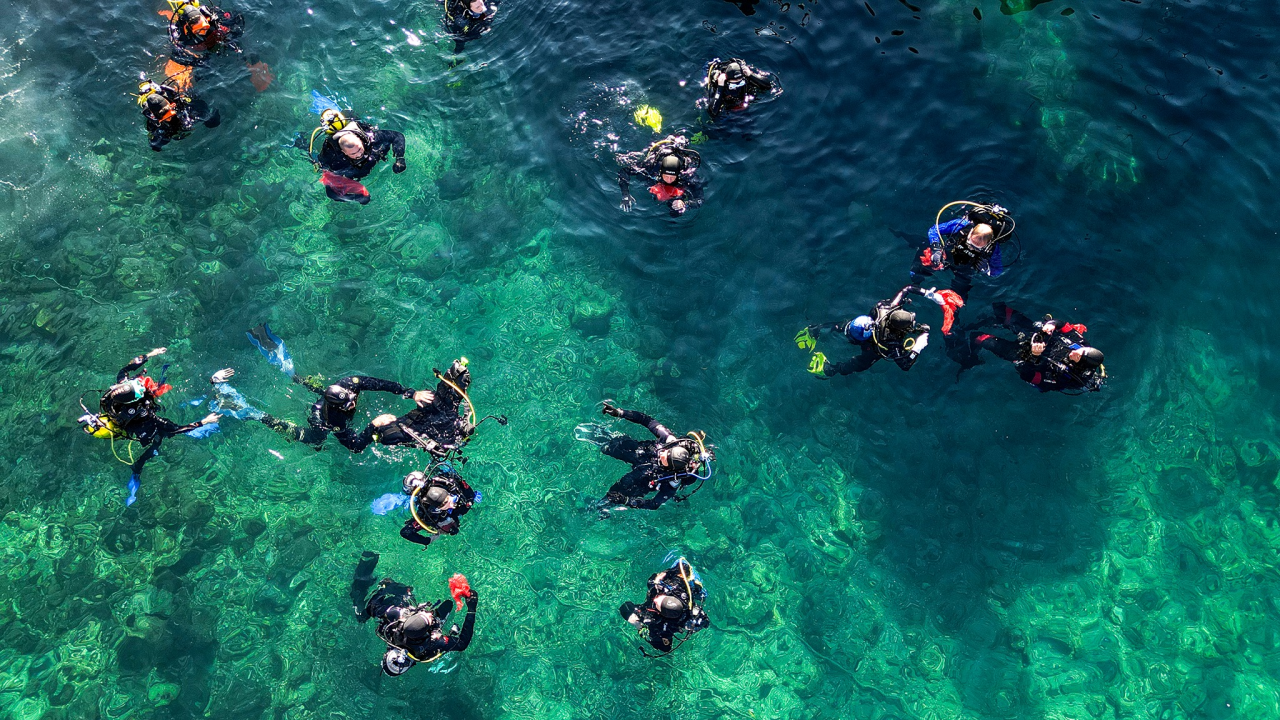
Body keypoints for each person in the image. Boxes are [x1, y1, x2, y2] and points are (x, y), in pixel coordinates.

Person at [81, 347, 219, 505]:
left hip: (126, 419)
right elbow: (176, 429)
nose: (142, 384)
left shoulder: (120, 388)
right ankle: (135, 475)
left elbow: (127, 367)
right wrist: (204, 422)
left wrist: (150, 354)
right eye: (141, 388)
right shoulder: (145, 415)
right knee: (157, 443)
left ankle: (189, 407)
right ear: (134, 401)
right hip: (143, 429)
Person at [587, 402, 714, 512]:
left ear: (670, 468)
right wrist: (620, 412)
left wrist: (626, 501)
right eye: (666, 451)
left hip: (645, 478)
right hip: (643, 453)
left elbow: (654, 504)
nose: (662, 453)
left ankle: (599, 508)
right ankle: (599, 437)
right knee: (619, 445)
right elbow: (646, 420)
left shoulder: (671, 482)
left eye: (664, 458)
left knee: (616, 494)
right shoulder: (669, 440)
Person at [801, 286, 950, 376]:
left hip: (863, 331)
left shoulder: (886, 308)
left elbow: (907, 289)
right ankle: (830, 369)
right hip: (869, 341)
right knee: (862, 363)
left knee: (843, 327)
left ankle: (816, 331)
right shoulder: (890, 342)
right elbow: (905, 365)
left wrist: (929, 294)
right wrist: (917, 347)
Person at [358, 568, 479, 676]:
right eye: (428, 617)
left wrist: (388, 588)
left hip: (403, 615)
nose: (428, 613)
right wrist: (471, 610)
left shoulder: (395, 618)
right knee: (447, 606)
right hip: (426, 636)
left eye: (425, 615)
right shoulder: (434, 643)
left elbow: (372, 606)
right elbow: (462, 643)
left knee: (399, 596)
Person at [966, 303, 1106, 393]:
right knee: (1001, 310)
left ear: (1079, 363)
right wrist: (1051, 325)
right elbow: (1063, 326)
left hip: (1023, 355)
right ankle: (994, 317)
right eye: (1079, 350)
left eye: (1078, 355)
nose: (1075, 351)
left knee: (976, 337)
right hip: (1038, 336)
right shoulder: (1082, 344)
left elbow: (1027, 376)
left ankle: (965, 347)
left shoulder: (1062, 378)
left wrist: (1034, 355)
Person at [355, 358, 477, 455]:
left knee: (434, 403)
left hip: (434, 423)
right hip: (424, 428)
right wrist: (374, 424)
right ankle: (451, 387)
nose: (352, 404)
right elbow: (356, 446)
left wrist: (412, 393)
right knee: (387, 434)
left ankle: (451, 386)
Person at [911, 203, 1015, 301]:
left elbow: (997, 271)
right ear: (970, 234)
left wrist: (987, 269)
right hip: (947, 255)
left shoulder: (993, 248)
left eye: (977, 248)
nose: (972, 248)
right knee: (918, 270)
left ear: (987, 244)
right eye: (970, 243)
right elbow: (934, 230)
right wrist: (936, 249)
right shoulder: (961, 225)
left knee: (959, 298)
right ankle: (915, 284)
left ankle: (955, 314)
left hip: (965, 269)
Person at [300, 109, 406, 203]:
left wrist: (399, 158)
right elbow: (330, 189)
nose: (359, 154)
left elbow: (397, 136)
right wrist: (357, 197)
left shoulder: (372, 138)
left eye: (360, 149)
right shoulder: (334, 158)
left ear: (360, 140)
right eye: (353, 154)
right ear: (344, 152)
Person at [619, 558, 709, 654]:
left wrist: (639, 626)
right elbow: (683, 564)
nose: (656, 599)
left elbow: (666, 648)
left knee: (628, 610)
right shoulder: (677, 590)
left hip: (663, 620)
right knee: (652, 582)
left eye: (658, 603)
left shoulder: (661, 624)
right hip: (674, 595)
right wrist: (665, 573)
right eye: (661, 598)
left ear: (662, 612)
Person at [616, 135, 703, 216]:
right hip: (661, 149)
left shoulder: (687, 175)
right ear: (661, 172)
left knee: (676, 213)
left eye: (672, 177)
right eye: (666, 176)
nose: (669, 180)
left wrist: (685, 204)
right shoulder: (650, 166)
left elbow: (700, 199)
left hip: (680, 159)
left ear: (678, 174)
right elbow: (624, 171)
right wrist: (625, 194)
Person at [399, 467, 477, 548]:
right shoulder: (429, 516)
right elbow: (406, 532)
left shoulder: (448, 483)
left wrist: (471, 499)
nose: (452, 504)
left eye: (450, 499)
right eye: (446, 502)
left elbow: (461, 483)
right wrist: (427, 540)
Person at [138, 80, 220, 152]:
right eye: (166, 117)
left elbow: (206, 113)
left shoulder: (180, 104)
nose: (170, 118)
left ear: (171, 105)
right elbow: (154, 144)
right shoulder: (155, 125)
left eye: (171, 113)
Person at [167, 0, 244, 67]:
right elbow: (176, 55)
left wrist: (231, 32)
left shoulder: (212, 16)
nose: (203, 32)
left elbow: (237, 18)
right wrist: (199, 61)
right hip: (200, 53)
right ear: (189, 28)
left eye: (205, 28)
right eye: (198, 30)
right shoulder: (179, 33)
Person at [704, 58, 775, 119]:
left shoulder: (746, 79)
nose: (737, 87)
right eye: (733, 85)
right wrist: (720, 87)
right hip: (727, 114)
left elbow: (768, 86)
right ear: (727, 81)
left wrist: (751, 75)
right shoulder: (720, 85)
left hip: (743, 111)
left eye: (740, 83)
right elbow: (713, 112)